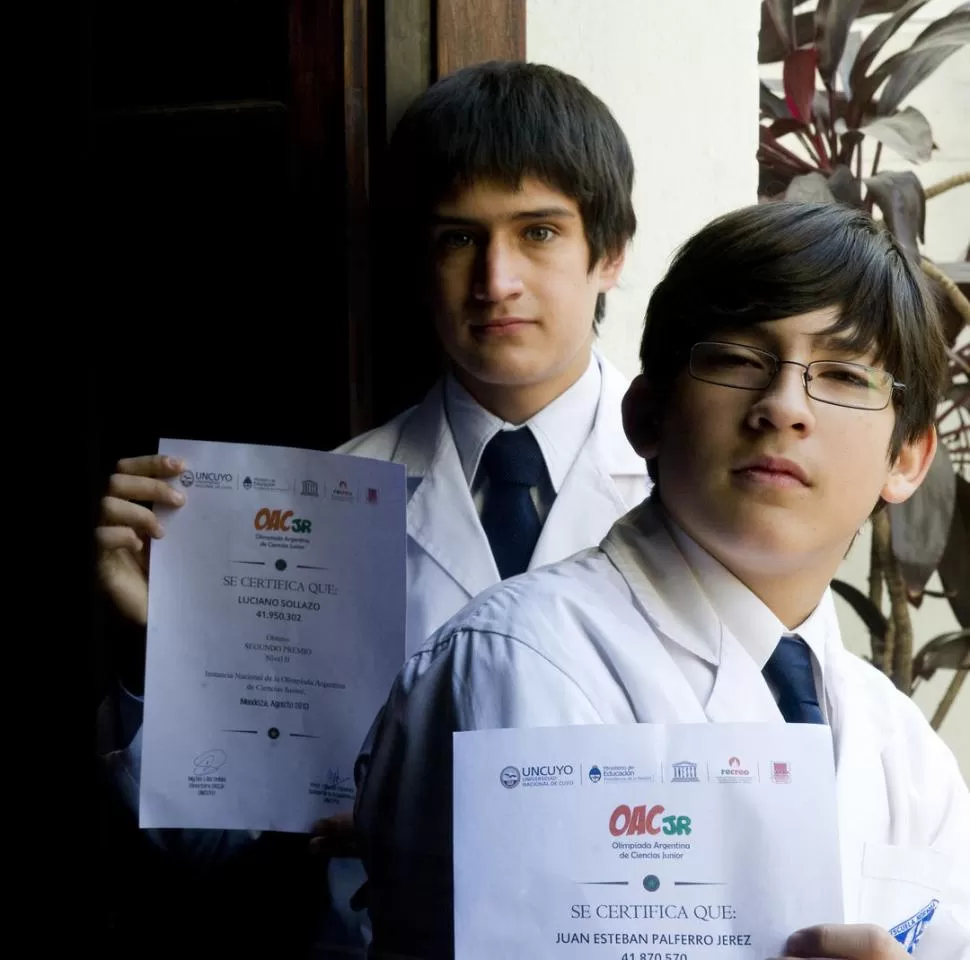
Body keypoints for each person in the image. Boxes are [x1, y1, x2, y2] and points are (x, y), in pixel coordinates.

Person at [95, 60, 648, 955]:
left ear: (611, 252)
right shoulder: (323, 508)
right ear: (416, 261)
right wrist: (162, 657)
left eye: (538, 231)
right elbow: (202, 847)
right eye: (457, 239)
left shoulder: (693, 493)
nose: (496, 279)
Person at [354, 201, 970, 960]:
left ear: (907, 457)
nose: (784, 408)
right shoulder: (523, 667)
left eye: (841, 374)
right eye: (740, 360)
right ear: (645, 415)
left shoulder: (907, 753)